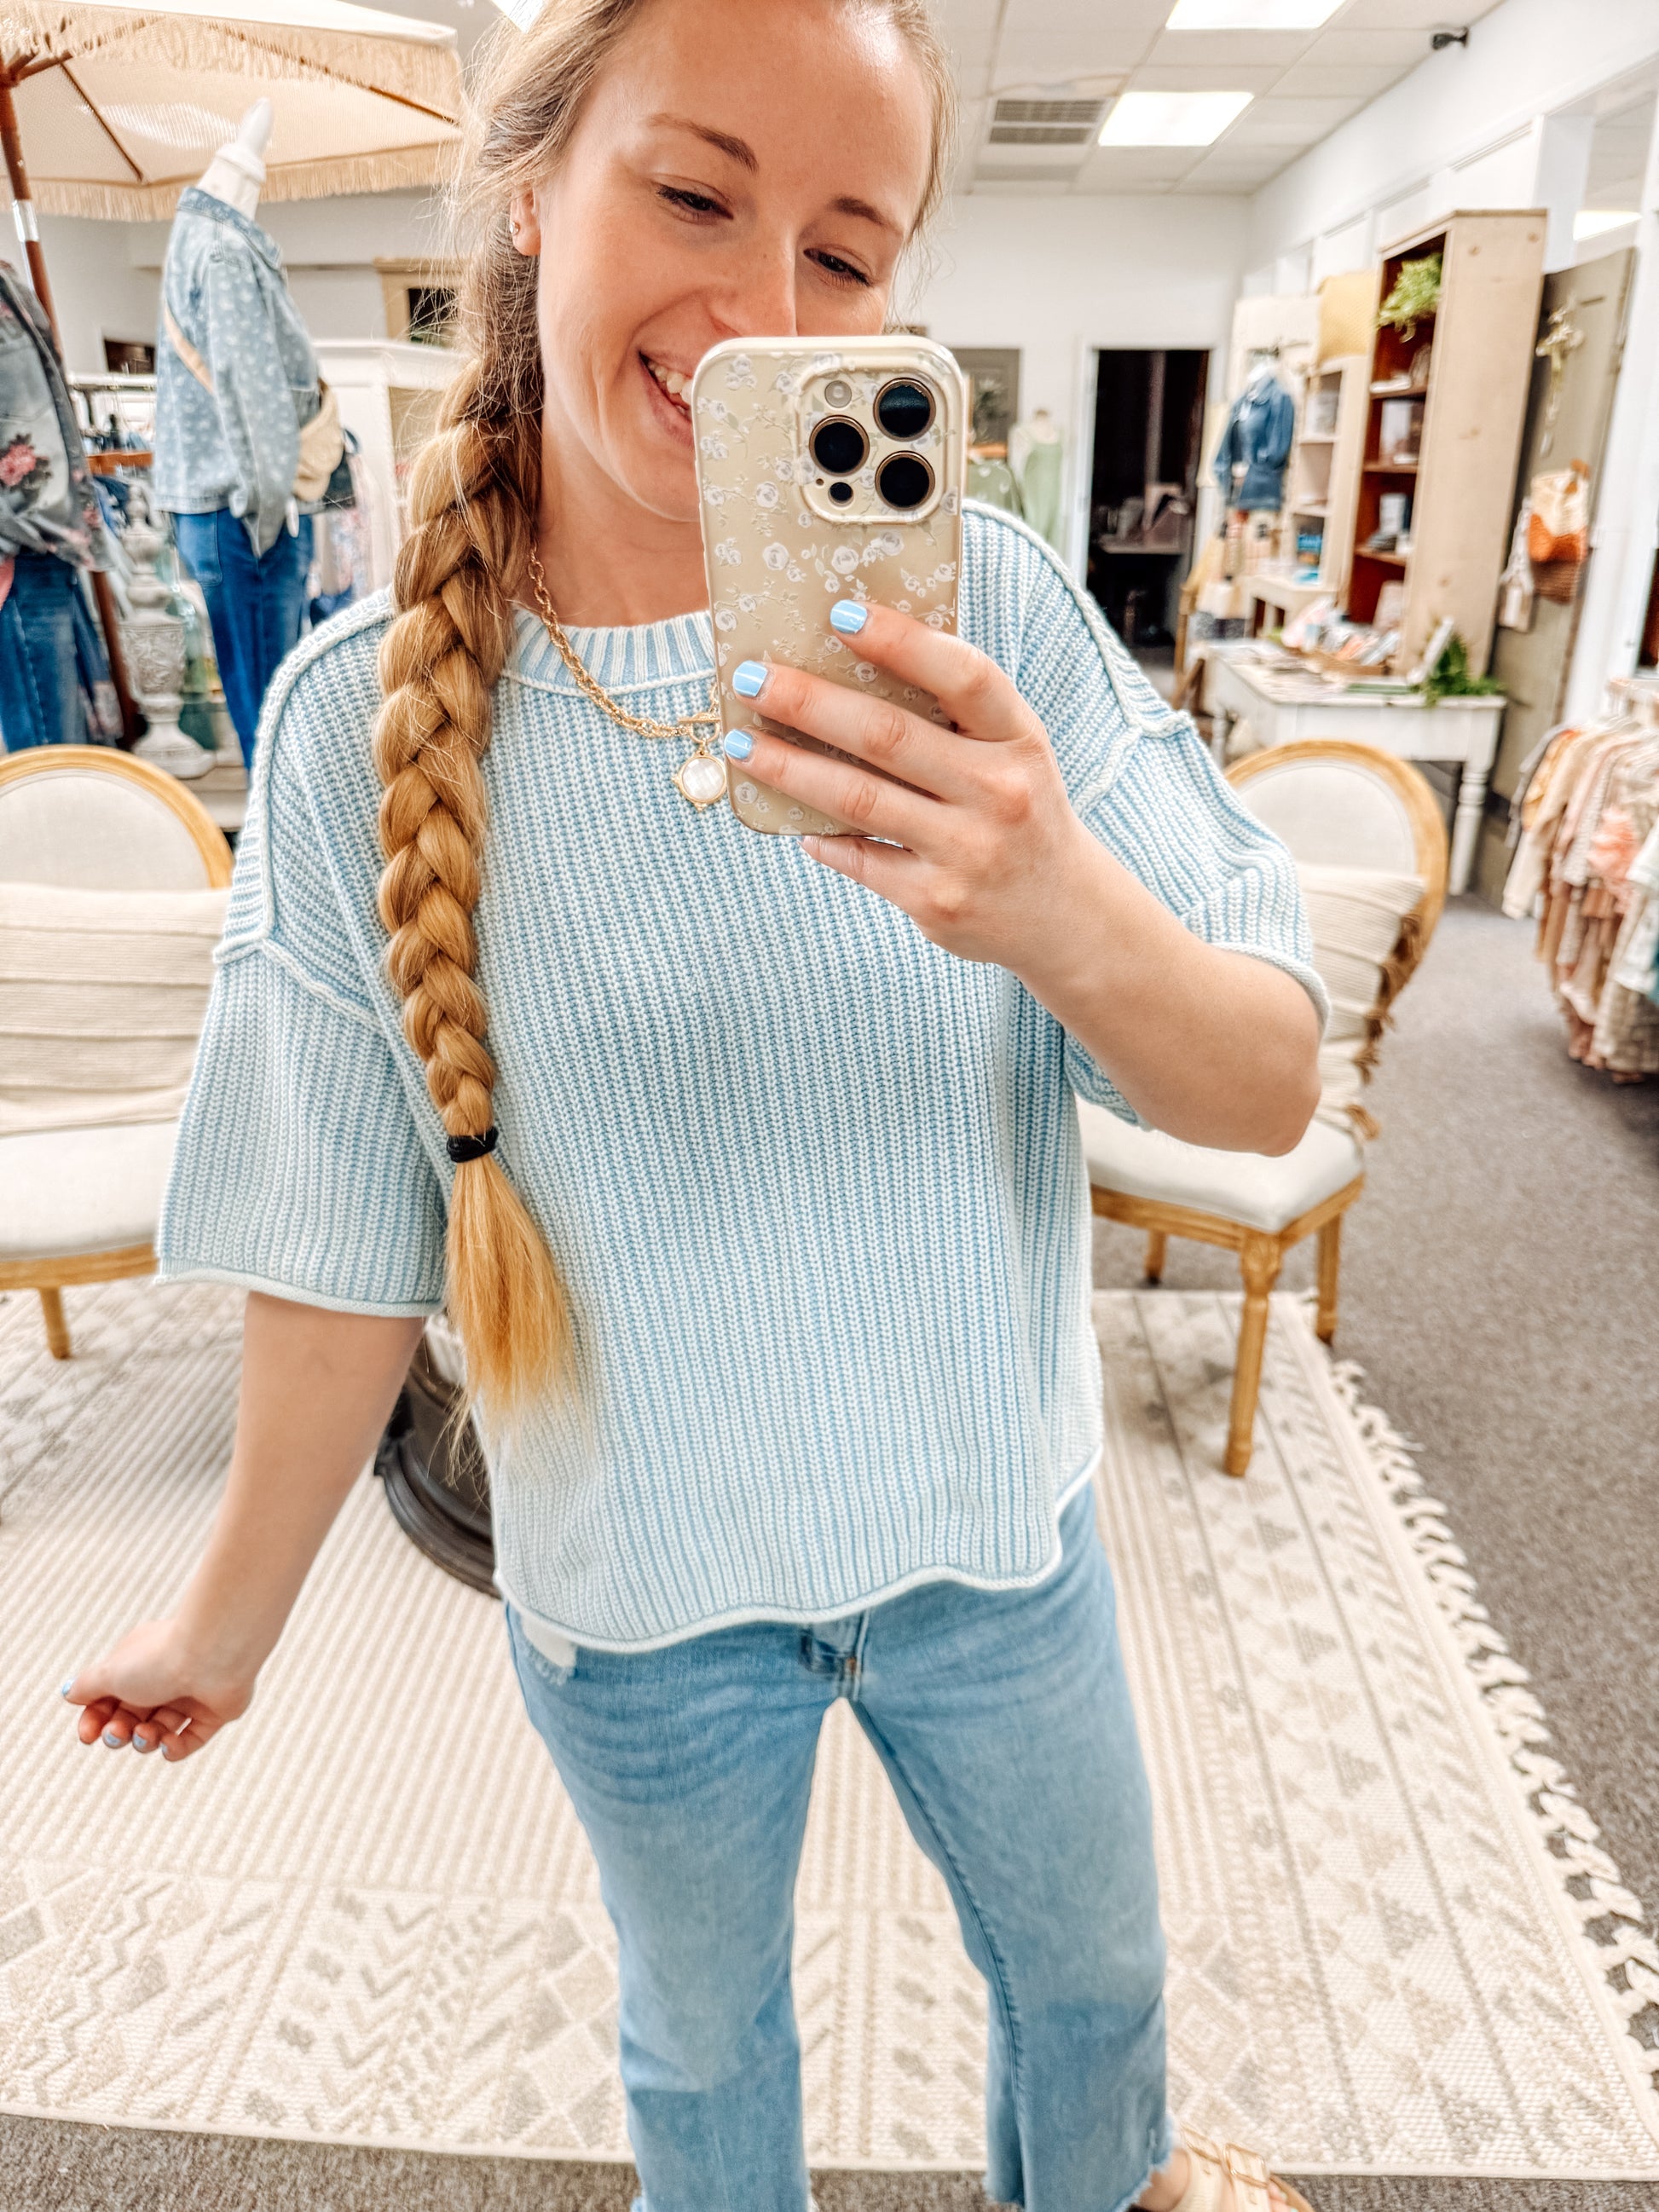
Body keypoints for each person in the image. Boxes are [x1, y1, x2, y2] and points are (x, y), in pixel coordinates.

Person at [61, 3, 1324, 2209]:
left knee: (1096, 1998)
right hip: (636, 1593)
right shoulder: (358, 723)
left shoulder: (993, 625)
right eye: (693, 193)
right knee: (702, 2057)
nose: (762, 308)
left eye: (846, 249)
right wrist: (227, 1623)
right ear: (527, 191)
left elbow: (1263, 1079)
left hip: (990, 1538)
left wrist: (1055, 907)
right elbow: (343, 1237)